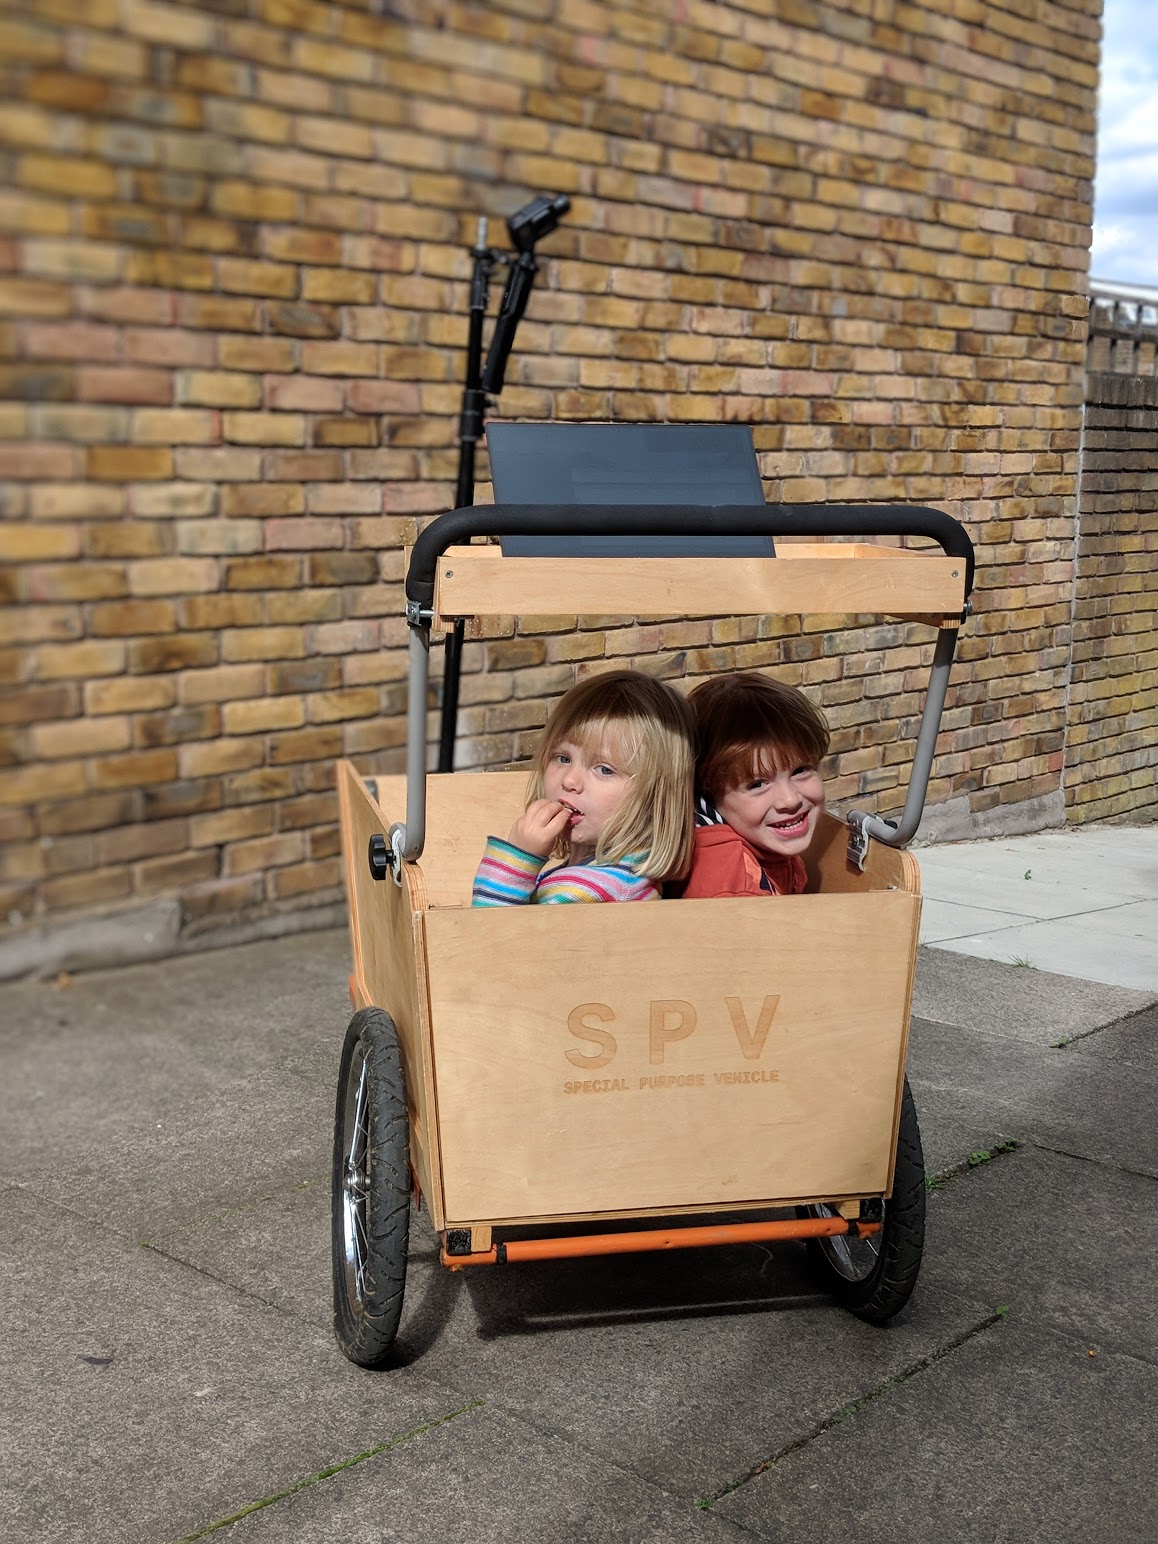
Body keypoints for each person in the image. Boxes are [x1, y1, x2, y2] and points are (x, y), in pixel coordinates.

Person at [471, 668, 695, 905]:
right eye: (563, 758)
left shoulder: (582, 893)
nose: (570, 781)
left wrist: (517, 861)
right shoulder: (615, 875)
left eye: (605, 769)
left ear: (653, 795)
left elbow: (490, 937)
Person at [676, 671, 829, 900]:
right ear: (706, 791)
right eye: (757, 784)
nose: (790, 799)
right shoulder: (733, 888)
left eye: (800, 771)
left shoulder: (761, 839)